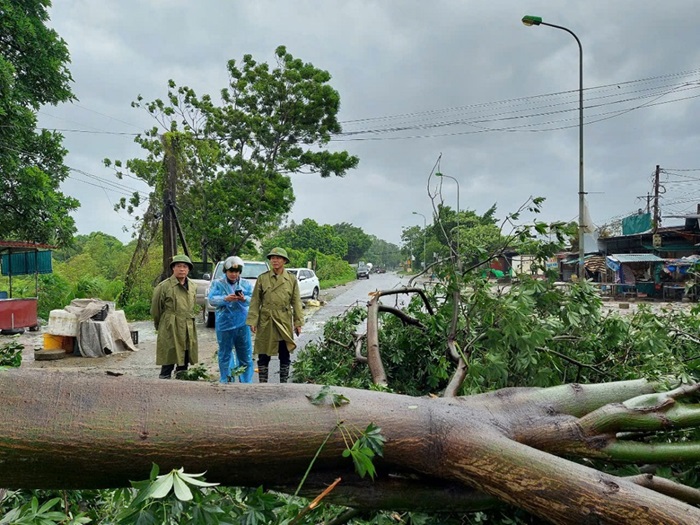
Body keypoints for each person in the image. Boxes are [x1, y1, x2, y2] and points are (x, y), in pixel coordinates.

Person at [246, 247, 303, 383]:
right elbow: (255, 301)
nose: (275, 260)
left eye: (278, 258)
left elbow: (296, 302)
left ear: (284, 261)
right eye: (272, 258)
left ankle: (283, 384)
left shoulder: (291, 279)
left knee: (284, 353)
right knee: (263, 354)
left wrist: (298, 322)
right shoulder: (263, 278)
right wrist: (253, 321)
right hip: (266, 320)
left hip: (283, 320)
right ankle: (263, 385)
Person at [151, 254, 199, 379]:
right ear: (173, 268)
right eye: (178, 266)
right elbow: (156, 310)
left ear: (188, 269)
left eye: (185, 266)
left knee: (186, 354)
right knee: (169, 352)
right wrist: (160, 325)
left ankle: (181, 379)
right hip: (170, 324)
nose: (182, 269)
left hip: (188, 323)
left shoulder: (193, 286)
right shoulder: (163, 286)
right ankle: (165, 380)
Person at [207, 255, 254, 383]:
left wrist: (244, 299)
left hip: (242, 323)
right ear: (226, 272)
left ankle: (246, 382)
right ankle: (227, 380)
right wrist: (225, 299)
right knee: (225, 353)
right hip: (224, 324)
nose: (234, 274)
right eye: (231, 271)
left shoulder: (245, 284)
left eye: (236, 272)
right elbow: (211, 299)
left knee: (245, 354)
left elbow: (253, 300)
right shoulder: (218, 284)